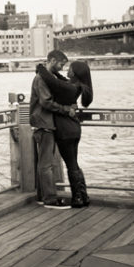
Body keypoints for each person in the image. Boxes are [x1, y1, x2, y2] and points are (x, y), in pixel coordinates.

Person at [36, 60, 94, 208]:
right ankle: (83, 195)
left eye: (69, 68)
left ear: (74, 72)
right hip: (74, 128)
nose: (66, 70)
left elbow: (54, 83)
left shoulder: (69, 88)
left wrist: (41, 68)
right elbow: (60, 81)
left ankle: (77, 198)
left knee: (71, 165)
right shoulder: (77, 86)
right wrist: (54, 71)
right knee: (74, 163)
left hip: (64, 130)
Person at [29, 50, 77, 209]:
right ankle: (50, 199)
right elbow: (46, 102)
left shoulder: (46, 78)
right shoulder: (41, 79)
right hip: (44, 124)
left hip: (44, 123)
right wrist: (65, 109)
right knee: (46, 164)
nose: (62, 68)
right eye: (61, 64)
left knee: (44, 163)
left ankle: (43, 196)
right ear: (53, 60)